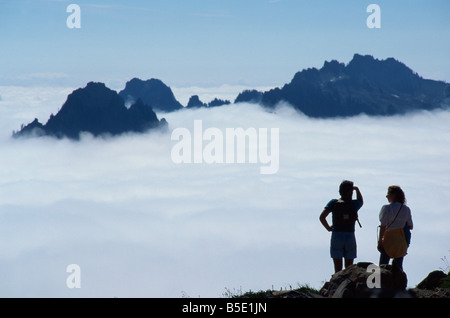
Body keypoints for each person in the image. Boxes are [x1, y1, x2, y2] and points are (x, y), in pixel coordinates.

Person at [320, 180, 364, 273]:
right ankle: (348, 285)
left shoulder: (334, 202)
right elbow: (361, 201)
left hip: (336, 235)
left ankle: (337, 284)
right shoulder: (353, 204)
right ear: (351, 192)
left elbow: (322, 217)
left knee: (338, 269)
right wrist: (357, 190)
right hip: (350, 235)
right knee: (349, 268)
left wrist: (328, 228)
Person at [377, 185, 413, 271]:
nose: (386, 196)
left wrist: (380, 242)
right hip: (401, 239)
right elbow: (410, 226)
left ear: (393, 195)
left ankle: (382, 283)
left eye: (388, 194)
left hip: (389, 238)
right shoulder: (406, 209)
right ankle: (399, 283)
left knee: (382, 266)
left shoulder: (386, 208)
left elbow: (383, 226)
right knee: (398, 267)